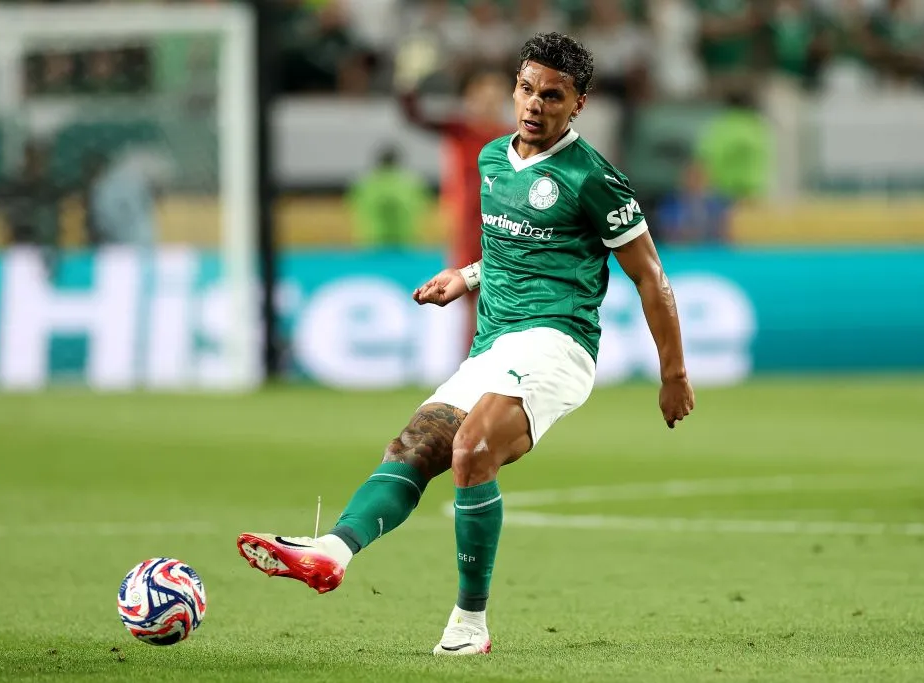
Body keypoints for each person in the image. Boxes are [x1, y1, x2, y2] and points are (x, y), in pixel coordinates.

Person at [237, 32, 695, 656]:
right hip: (493, 344)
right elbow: (510, 252)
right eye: (527, 89)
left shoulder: (595, 179)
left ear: (578, 105)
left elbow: (650, 276)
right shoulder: (490, 161)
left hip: (557, 344)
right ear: (514, 87)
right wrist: (465, 276)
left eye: (553, 96)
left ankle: (469, 624)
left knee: (471, 449)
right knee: (416, 445)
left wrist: (673, 374)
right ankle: (332, 552)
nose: (535, 105)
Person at [397, 63, 511, 355]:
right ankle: (474, 365)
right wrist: (407, 81)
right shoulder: (459, 129)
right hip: (468, 228)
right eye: (484, 94)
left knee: (504, 298)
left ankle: (502, 365)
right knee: (473, 298)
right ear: (470, 98)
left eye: (496, 94)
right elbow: (413, 116)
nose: (490, 101)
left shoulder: (512, 136)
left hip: (506, 227)